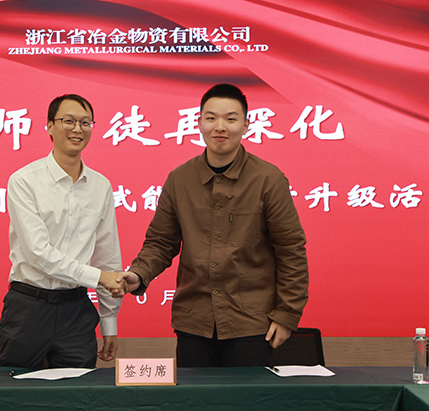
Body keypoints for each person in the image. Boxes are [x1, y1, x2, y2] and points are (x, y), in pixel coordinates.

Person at [120, 83, 309, 367]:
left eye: (230, 119)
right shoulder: (179, 179)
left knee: (246, 396)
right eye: (211, 118)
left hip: (252, 323)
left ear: (245, 125)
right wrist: (139, 274)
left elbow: (291, 250)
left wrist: (286, 315)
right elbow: (160, 242)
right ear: (198, 123)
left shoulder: (268, 180)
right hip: (194, 321)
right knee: (195, 396)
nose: (220, 127)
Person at [0, 93, 125, 369]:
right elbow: (38, 253)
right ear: (50, 126)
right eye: (69, 121)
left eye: (85, 122)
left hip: (76, 311)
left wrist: (109, 322)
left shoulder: (100, 186)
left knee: (79, 392)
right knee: (14, 390)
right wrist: (98, 277)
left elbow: (108, 256)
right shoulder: (24, 181)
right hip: (29, 307)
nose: (77, 129)